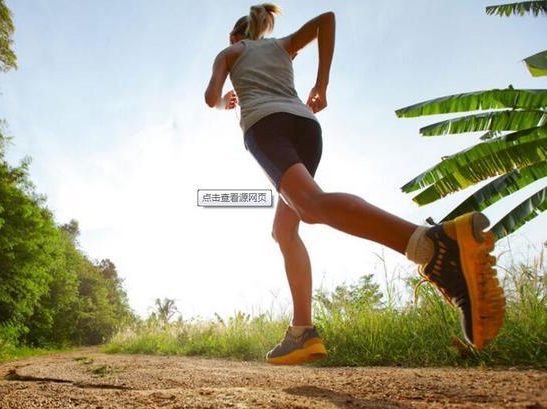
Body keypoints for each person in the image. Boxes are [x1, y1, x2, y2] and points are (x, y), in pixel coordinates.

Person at [204, 4, 505, 365]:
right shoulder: (281, 45)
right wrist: (321, 85)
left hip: (265, 127)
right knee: (284, 230)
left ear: (236, 36)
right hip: (305, 126)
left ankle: (431, 246)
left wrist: (225, 102)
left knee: (310, 206)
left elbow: (210, 98)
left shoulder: (230, 52)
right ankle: (302, 332)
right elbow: (326, 21)